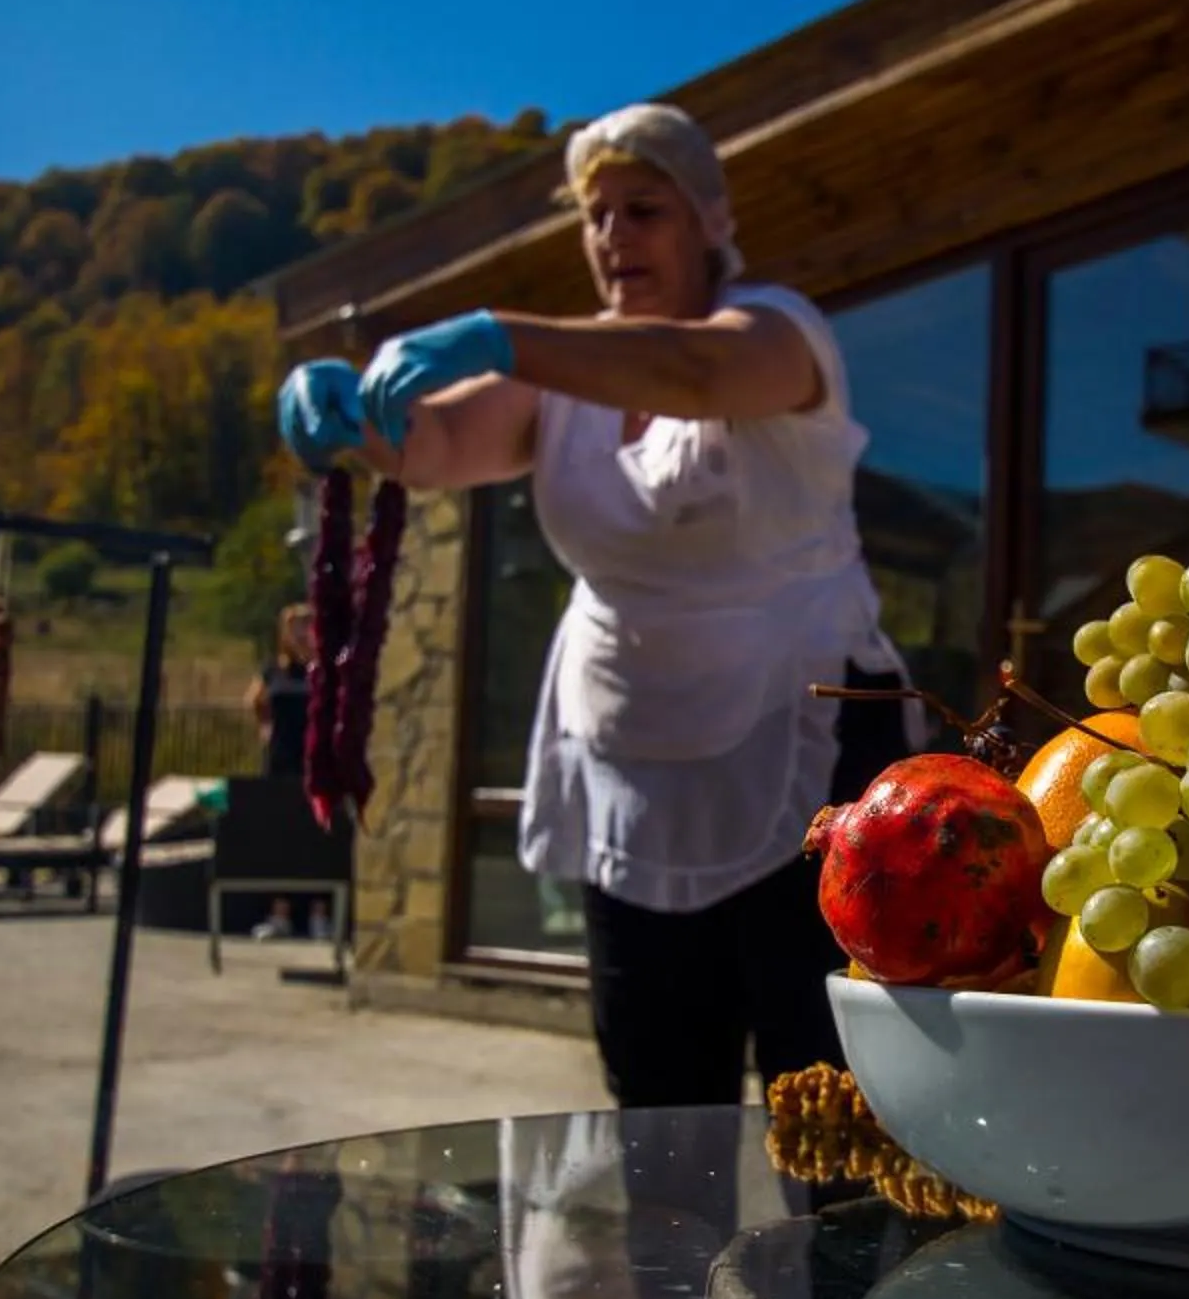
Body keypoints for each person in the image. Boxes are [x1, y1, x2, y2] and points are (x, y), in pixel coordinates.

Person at [275, 102, 918, 1105]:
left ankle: (848, 1269)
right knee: (657, 1098)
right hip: (625, 756)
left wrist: (496, 334)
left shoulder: (778, 330)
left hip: (811, 739)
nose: (615, 235)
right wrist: (351, 420)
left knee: (829, 1093)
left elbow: (695, 368)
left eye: (644, 208)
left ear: (710, 220)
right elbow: (436, 445)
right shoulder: (559, 382)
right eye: (597, 214)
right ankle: (671, 1269)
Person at [246, 603, 317, 941]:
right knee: (279, 836)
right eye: (296, 626)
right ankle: (280, 913)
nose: (303, 632)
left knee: (317, 835)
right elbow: (255, 700)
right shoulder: (275, 669)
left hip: (316, 761)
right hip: (281, 760)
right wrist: (264, 727)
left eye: (308, 624)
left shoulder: (325, 669)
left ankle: (320, 913)